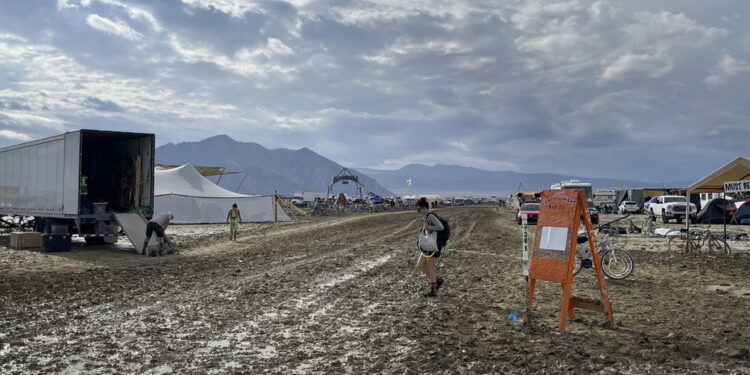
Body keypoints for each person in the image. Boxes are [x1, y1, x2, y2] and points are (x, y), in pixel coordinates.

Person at [416, 197, 445, 297]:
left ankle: (433, 290)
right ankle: (437, 280)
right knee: (420, 265)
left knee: (430, 267)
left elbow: (440, 227)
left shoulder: (431, 216)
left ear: (424, 208)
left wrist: (428, 227)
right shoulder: (427, 216)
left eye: (419, 209)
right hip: (428, 244)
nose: (418, 211)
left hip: (434, 245)